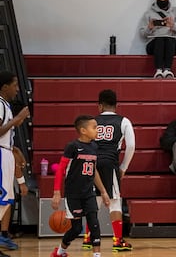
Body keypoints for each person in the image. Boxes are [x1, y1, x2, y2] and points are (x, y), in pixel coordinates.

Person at [82, 90, 135, 252]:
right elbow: (131, 146)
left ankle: (88, 238)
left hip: (91, 163)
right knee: (115, 202)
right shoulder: (124, 121)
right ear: (116, 105)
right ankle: (118, 241)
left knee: (94, 201)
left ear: (100, 106)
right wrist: (123, 168)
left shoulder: (92, 122)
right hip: (109, 163)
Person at [51, 115, 111, 257]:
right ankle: (60, 252)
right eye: (94, 127)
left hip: (89, 192)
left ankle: (97, 255)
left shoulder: (94, 147)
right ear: (83, 130)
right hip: (73, 194)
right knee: (76, 229)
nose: (98, 130)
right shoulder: (72, 147)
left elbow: (94, 169)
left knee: (94, 223)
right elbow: (60, 169)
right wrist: (57, 192)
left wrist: (103, 191)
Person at [0, 72, 29, 255]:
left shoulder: (5, 105)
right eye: (15, 85)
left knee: (5, 201)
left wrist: (14, 150)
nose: (17, 89)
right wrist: (17, 120)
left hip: (6, 153)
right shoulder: (0, 104)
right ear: (4, 87)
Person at [140, 0, 176, 78]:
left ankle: (167, 70)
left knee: (168, 39)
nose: (162, 0)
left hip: (173, 45)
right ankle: (158, 70)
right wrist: (150, 27)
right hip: (154, 45)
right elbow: (142, 34)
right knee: (160, 38)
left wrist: (172, 25)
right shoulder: (148, 13)